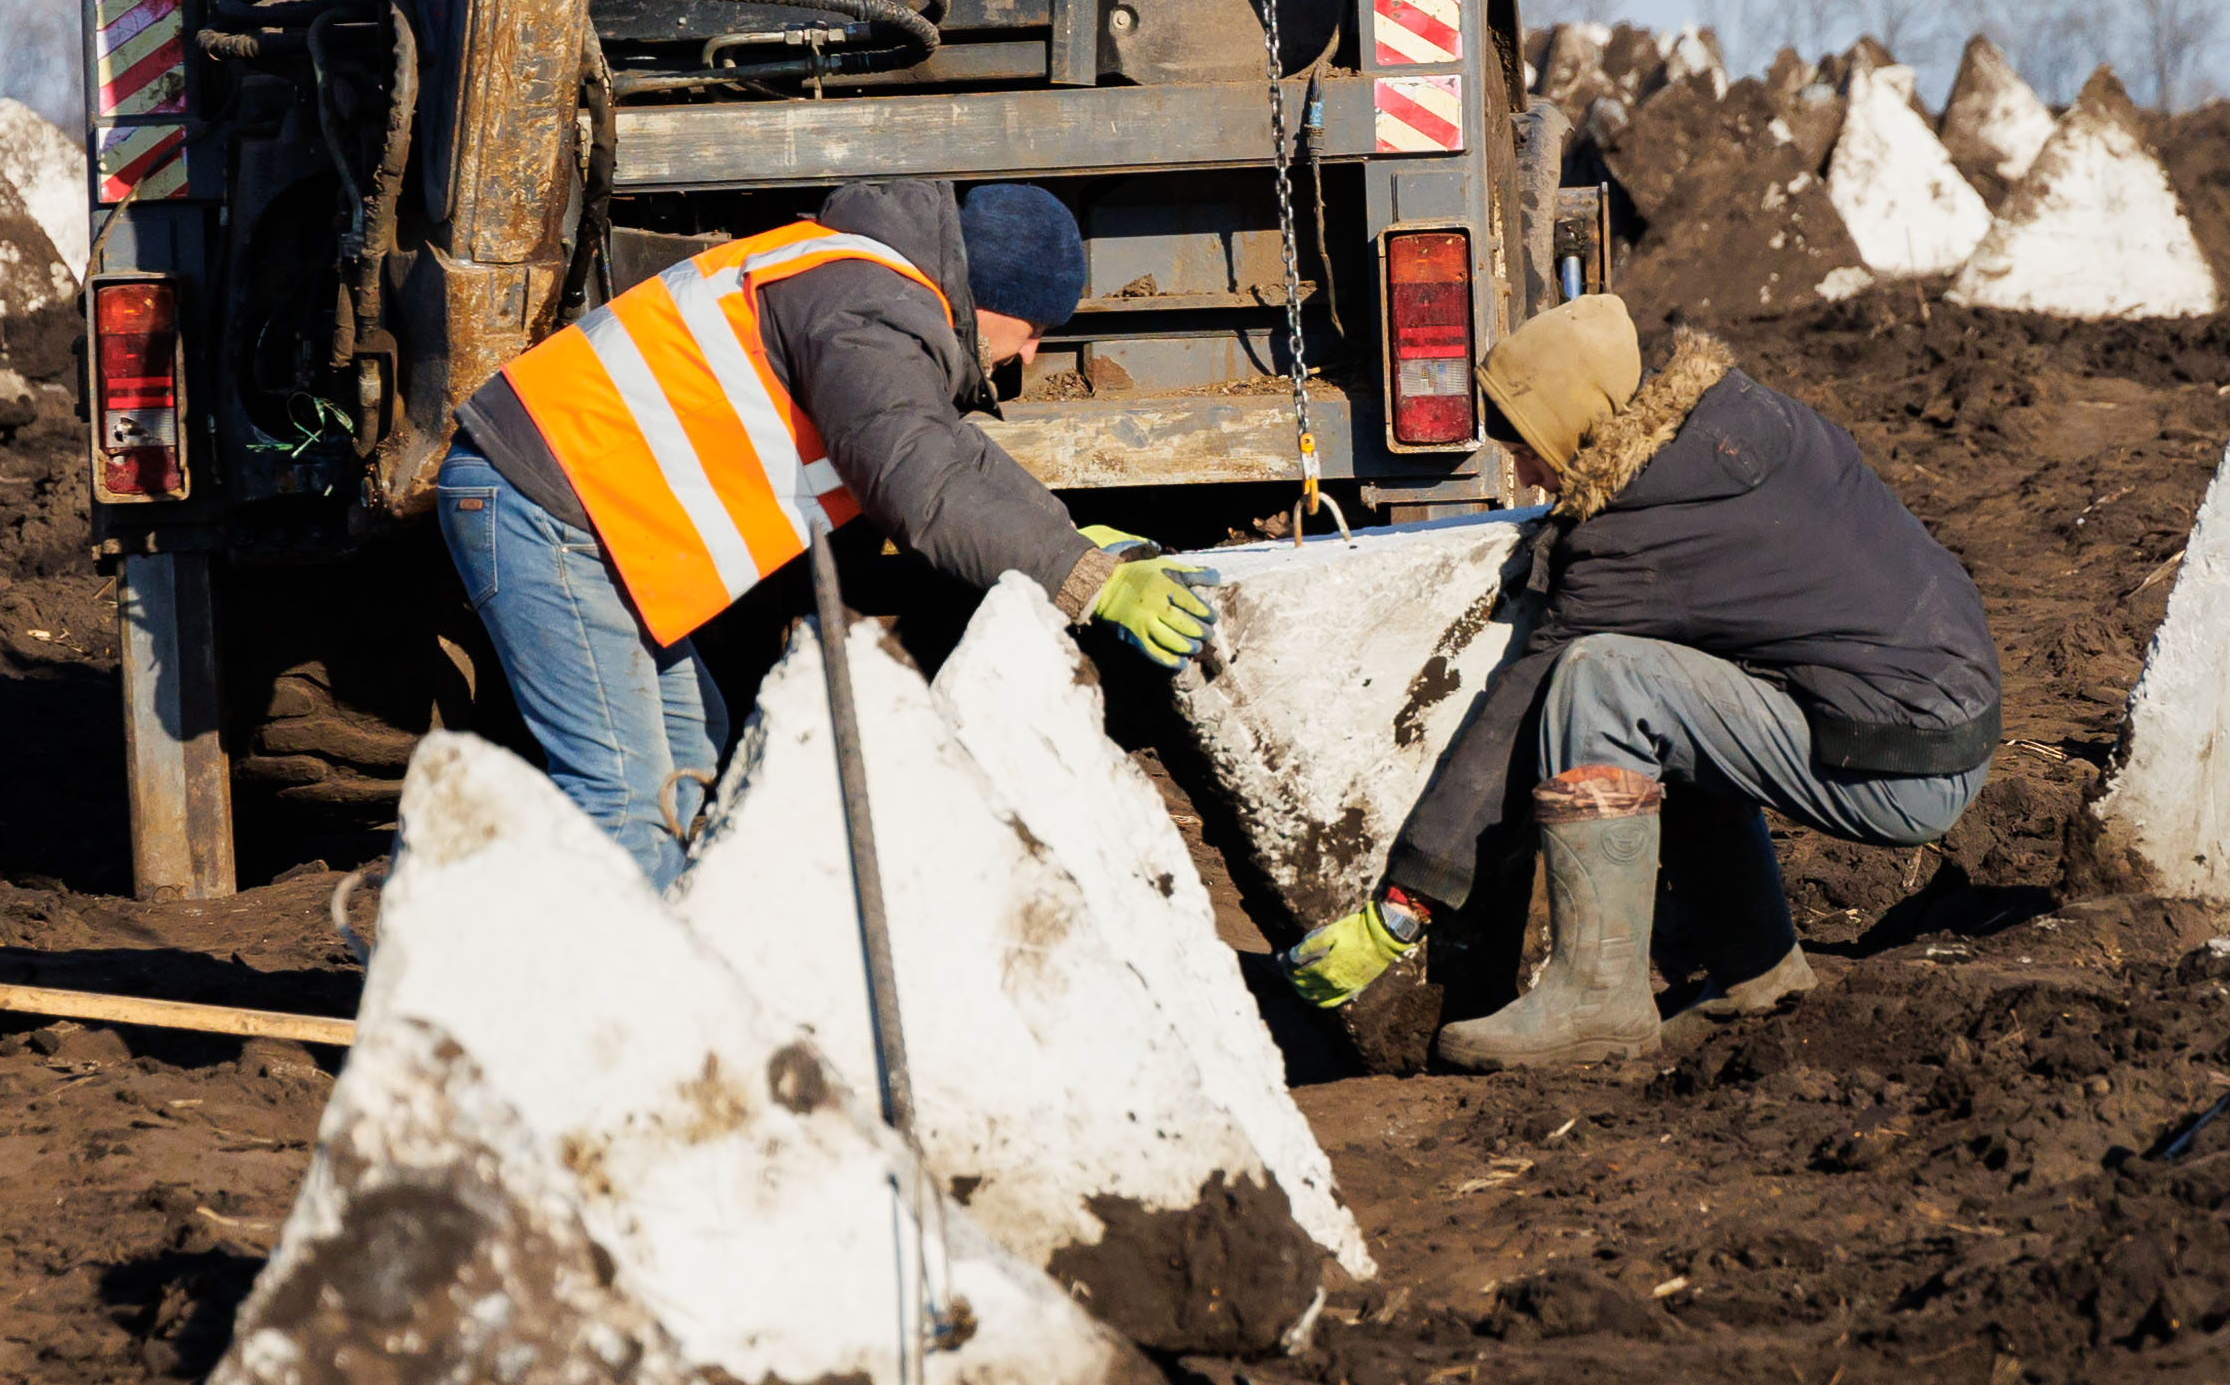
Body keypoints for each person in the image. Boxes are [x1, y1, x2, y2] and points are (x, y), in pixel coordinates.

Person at [1281, 296, 2002, 1070]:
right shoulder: (1739, 417)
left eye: (1525, 446)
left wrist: (1405, 904)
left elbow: (1522, 705)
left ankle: (1597, 1002)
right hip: (1946, 705)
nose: (1521, 473)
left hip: (1902, 764)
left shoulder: (1636, 540)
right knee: (1671, 688)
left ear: (1576, 421)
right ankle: (1757, 974)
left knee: (1603, 681)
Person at [434, 175, 1218, 885]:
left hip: (586, 519)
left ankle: (660, 990)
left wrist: (1079, 543)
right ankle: (600, 1030)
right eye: (1037, 328)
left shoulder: (867, 287)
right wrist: (1092, 583)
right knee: (627, 797)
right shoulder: (867, 306)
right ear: (1000, 297)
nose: (1030, 353)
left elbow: (944, 448)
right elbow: (921, 482)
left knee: (692, 766)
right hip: (546, 508)